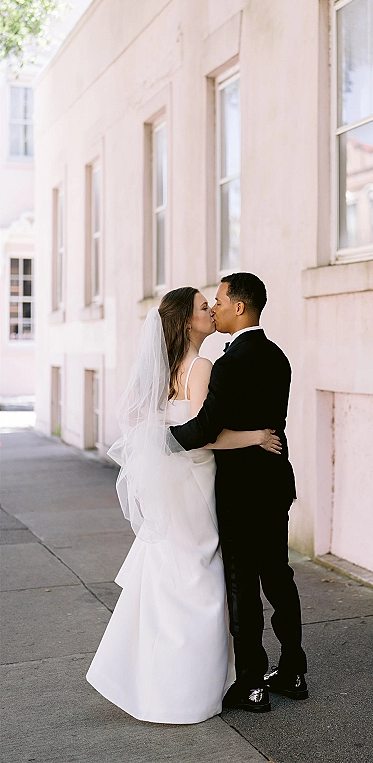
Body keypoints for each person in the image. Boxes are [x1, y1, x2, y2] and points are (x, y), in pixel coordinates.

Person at [86, 287, 282, 724]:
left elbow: (147, 423)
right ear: (187, 322)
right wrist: (255, 436)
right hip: (194, 477)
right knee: (202, 578)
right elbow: (205, 432)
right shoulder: (201, 367)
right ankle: (194, 688)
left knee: (169, 574)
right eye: (201, 307)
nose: (210, 310)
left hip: (172, 481)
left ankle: (156, 683)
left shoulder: (165, 369)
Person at [169, 272, 308, 714]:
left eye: (220, 301)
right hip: (275, 483)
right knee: (279, 577)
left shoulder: (230, 364)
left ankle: (251, 683)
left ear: (240, 308)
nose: (215, 308)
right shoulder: (279, 357)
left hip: (239, 491)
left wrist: (162, 439)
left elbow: (206, 428)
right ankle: (294, 670)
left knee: (242, 585)